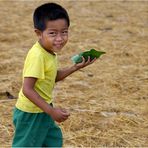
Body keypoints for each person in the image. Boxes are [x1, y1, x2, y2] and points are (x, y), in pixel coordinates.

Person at [12, 2, 96, 147]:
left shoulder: (49, 51)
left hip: (43, 108)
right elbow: (27, 89)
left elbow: (52, 77)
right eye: (52, 33)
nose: (60, 38)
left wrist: (75, 67)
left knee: (53, 141)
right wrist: (51, 111)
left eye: (64, 32)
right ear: (38, 33)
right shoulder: (37, 56)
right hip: (31, 113)